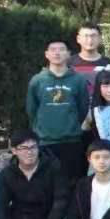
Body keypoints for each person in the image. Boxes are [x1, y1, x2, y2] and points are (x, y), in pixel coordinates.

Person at [26, 38, 90, 183]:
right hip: (45, 142)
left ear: (68, 54)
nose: (57, 53)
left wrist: (71, 124)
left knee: (73, 183)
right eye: (53, 50)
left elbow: (83, 108)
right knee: (46, 184)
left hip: (72, 141)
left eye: (61, 49)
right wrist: (40, 130)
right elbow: (32, 110)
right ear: (46, 54)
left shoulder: (78, 80)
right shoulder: (37, 80)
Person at [69, 22, 110, 92]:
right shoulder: (68, 63)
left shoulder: (109, 65)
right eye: (86, 36)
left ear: (100, 39)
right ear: (78, 39)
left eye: (93, 36)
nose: (90, 40)